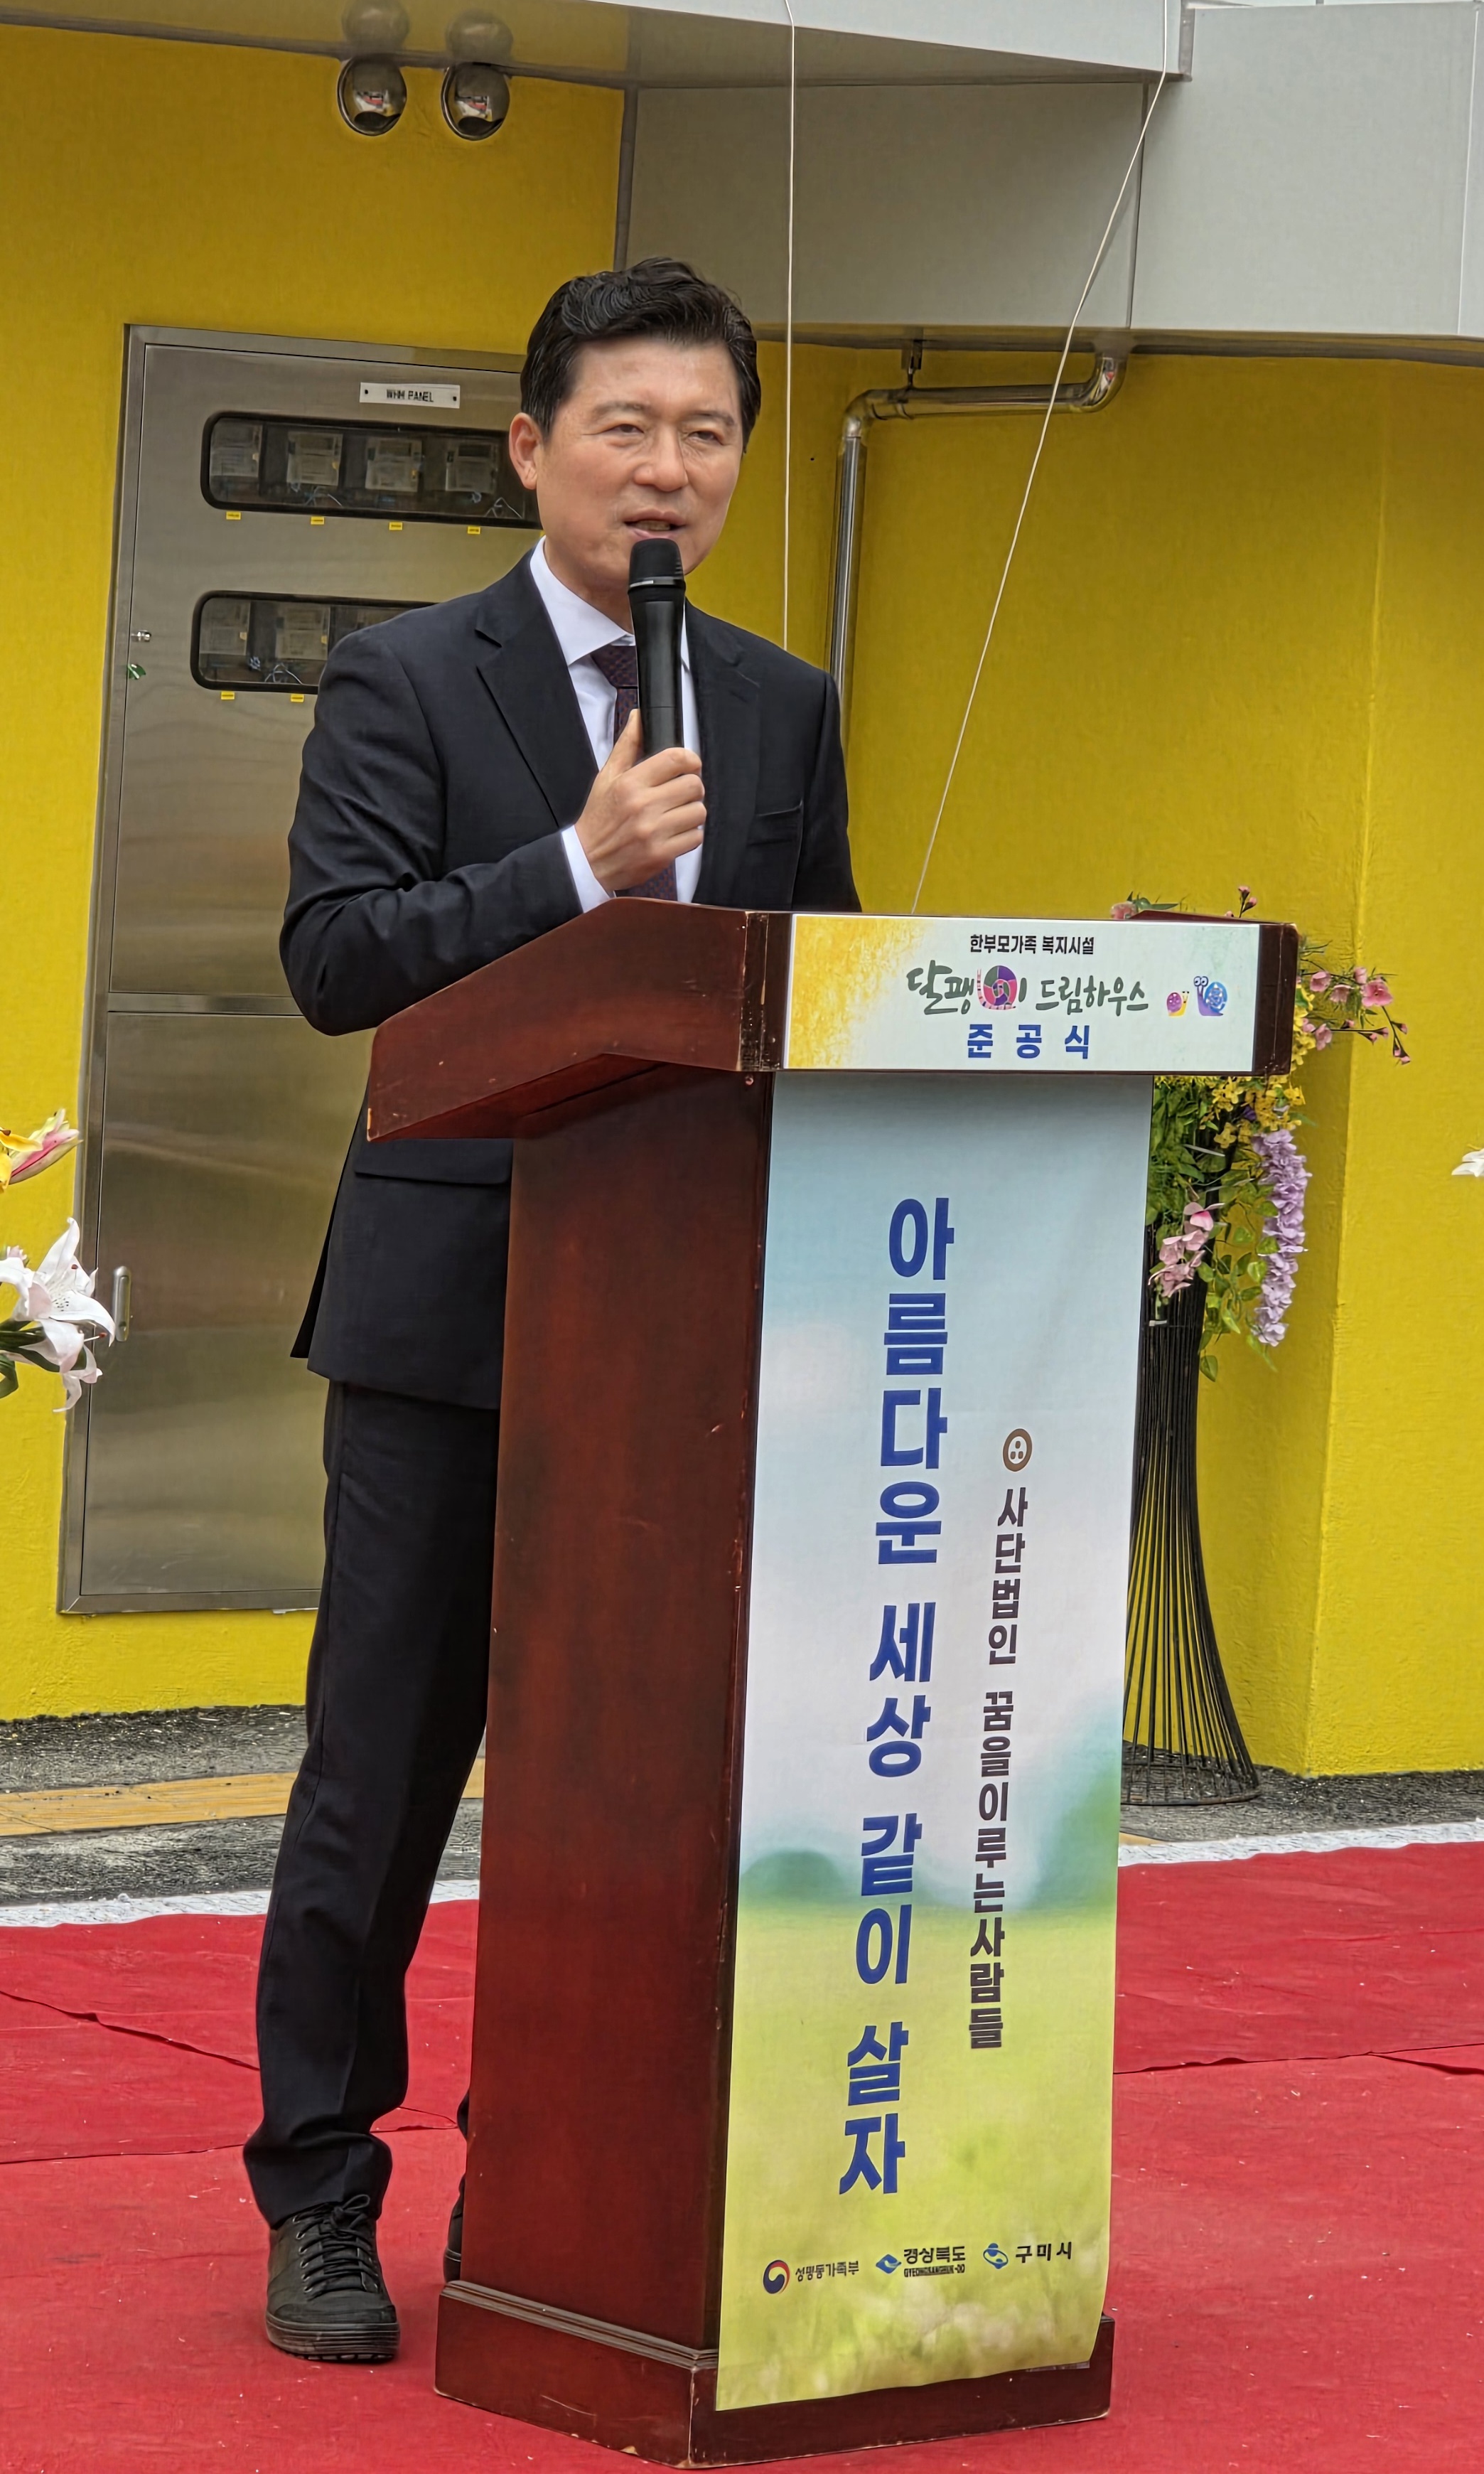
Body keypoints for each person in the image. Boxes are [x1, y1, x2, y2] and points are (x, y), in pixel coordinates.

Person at [244, 257, 859, 2362]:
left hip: (693, 1335)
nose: (666, 469)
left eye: (707, 433)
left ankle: (561, 2182)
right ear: (532, 448)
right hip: (450, 1323)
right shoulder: (407, 679)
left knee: (637, 1792)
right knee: (379, 1780)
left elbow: (813, 983)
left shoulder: (781, 703)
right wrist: (576, 868)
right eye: (627, 428)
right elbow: (338, 958)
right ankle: (321, 2190)